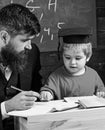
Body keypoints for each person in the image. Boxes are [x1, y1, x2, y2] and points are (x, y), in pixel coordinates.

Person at [0, 3, 42, 130]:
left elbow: (37, 86)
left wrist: (44, 94)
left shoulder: (32, 52)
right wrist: (7, 107)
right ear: (4, 37)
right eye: (24, 40)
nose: (29, 46)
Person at [40, 29, 105, 101]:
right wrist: (46, 93)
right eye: (68, 58)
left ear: (88, 57)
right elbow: (48, 89)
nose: (72, 62)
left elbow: (101, 89)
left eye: (78, 58)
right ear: (62, 55)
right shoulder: (55, 76)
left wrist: (101, 93)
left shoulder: (93, 75)